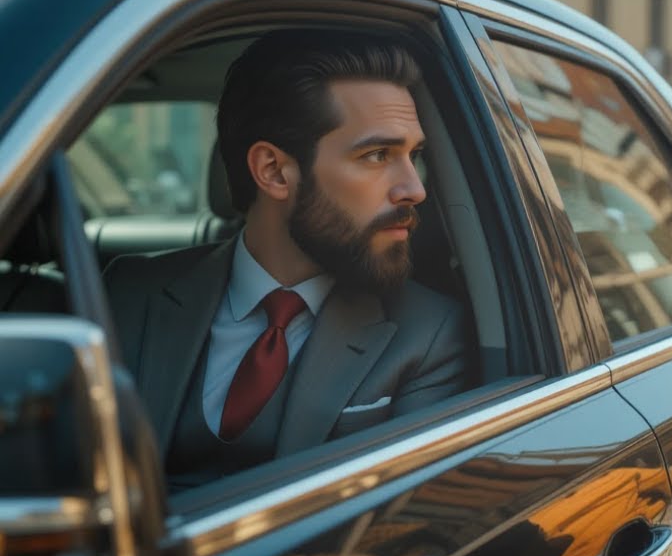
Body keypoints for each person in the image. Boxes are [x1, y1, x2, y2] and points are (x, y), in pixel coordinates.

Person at [105, 29, 470, 489]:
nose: (415, 188)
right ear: (274, 171)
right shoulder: (128, 293)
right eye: (378, 155)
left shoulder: (429, 333)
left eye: (414, 155)